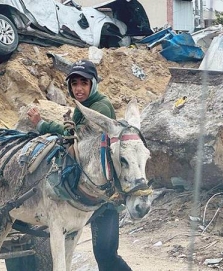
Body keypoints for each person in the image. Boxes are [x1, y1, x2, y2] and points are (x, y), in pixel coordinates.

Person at [27, 59, 131, 271]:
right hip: (94, 190)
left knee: (105, 254)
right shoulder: (83, 107)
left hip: (106, 196)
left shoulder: (99, 107)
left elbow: (78, 137)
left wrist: (42, 124)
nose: (79, 88)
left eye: (84, 83)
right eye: (74, 84)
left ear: (93, 84)